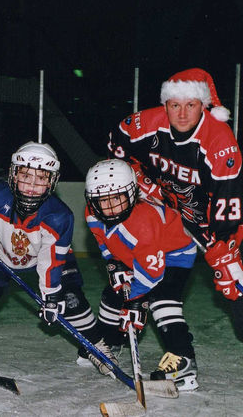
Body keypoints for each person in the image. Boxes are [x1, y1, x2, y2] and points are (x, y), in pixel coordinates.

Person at [108, 67, 243, 384]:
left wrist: (225, 250)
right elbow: (117, 145)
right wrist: (140, 179)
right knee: (144, 267)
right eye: (174, 104)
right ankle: (130, 341)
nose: (181, 112)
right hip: (166, 209)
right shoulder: (144, 124)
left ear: (203, 105)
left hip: (209, 217)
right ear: (165, 104)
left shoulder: (220, 140)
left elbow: (231, 203)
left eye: (190, 105)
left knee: (234, 280)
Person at [0, 141, 115, 376]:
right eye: (26, 176)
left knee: (71, 299)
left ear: (51, 182)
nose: (31, 186)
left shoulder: (59, 216)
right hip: (2, 254)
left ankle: (97, 347)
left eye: (41, 179)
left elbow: (50, 264)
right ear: (13, 175)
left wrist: (51, 296)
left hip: (47, 260)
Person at [84, 159, 199, 391]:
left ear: (132, 193)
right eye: (102, 200)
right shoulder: (92, 214)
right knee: (113, 294)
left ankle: (183, 358)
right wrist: (114, 263)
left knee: (161, 299)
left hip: (175, 254)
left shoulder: (143, 221)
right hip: (137, 253)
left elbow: (152, 274)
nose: (110, 207)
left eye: (116, 198)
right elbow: (103, 241)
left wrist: (135, 300)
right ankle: (110, 344)